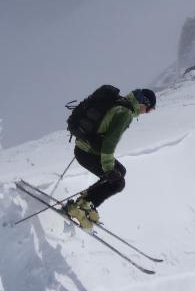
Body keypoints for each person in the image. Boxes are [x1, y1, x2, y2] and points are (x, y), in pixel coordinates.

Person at [64, 88, 157, 230]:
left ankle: (85, 203)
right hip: (87, 152)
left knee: (121, 171)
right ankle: (79, 208)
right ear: (143, 103)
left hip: (84, 149)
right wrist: (108, 170)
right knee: (118, 182)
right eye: (149, 109)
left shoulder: (119, 103)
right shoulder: (125, 113)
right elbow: (109, 143)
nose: (147, 112)